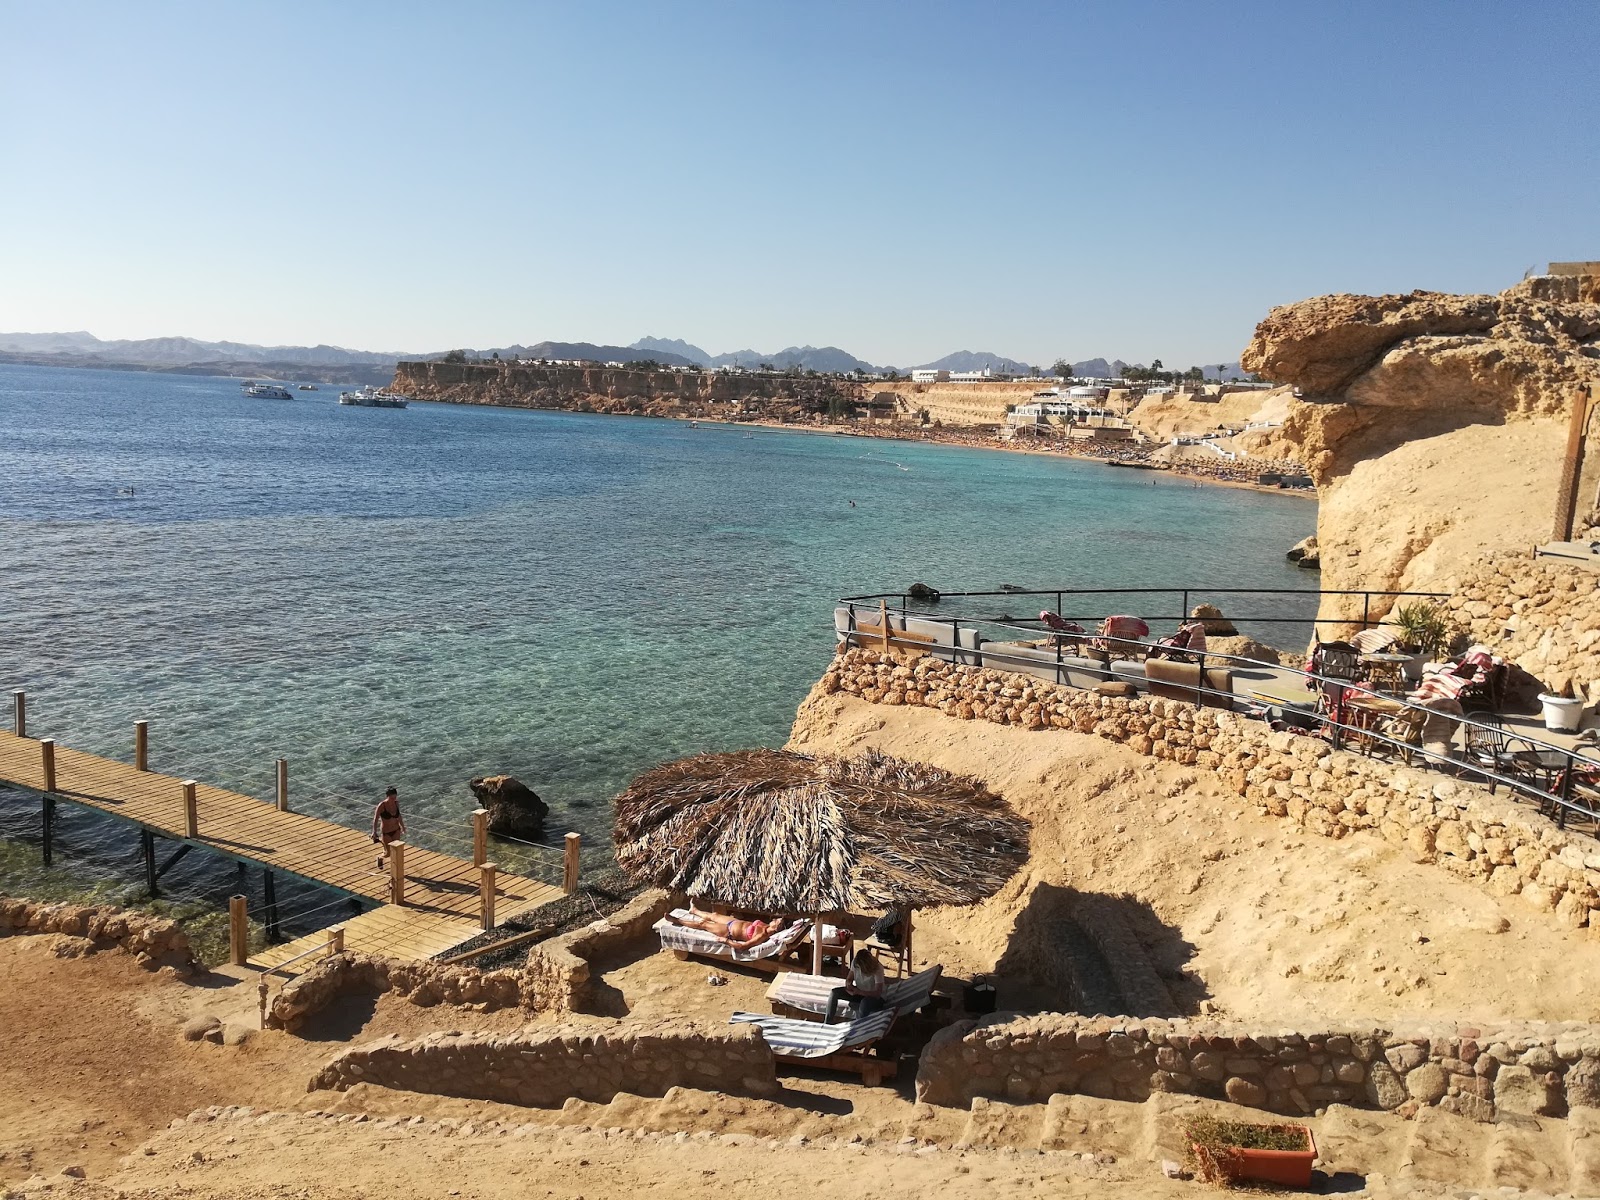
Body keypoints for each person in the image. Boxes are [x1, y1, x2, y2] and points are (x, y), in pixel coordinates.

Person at [671, 904, 786, 951]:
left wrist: (725, 940)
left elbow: (742, 947)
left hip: (728, 931)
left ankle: (677, 920)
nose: (774, 919)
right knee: (714, 915)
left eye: (776, 921)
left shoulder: (761, 936)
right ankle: (694, 910)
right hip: (734, 921)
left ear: (776, 928)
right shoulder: (766, 925)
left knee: (703, 925)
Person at [825, 947, 886, 1024]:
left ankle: (858, 1026)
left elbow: (877, 993)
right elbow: (849, 978)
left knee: (865, 1003)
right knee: (834, 992)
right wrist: (849, 985)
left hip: (875, 998)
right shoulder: (855, 963)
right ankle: (828, 1022)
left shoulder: (878, 968)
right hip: (860, 992)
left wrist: (859, 992)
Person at [371, 786, 406, 873]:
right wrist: (374, 832)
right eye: (392, 797)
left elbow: (399, 816)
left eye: (395, 797)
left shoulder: (396, 803)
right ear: (387, 796)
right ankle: (380, 858)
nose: (393, 799)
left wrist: (402, 826)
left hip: (396, 830)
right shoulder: (382, 805)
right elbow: (375, 819)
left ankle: (396, 871)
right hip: (386, 832)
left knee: (396, 851)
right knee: (388, 853)